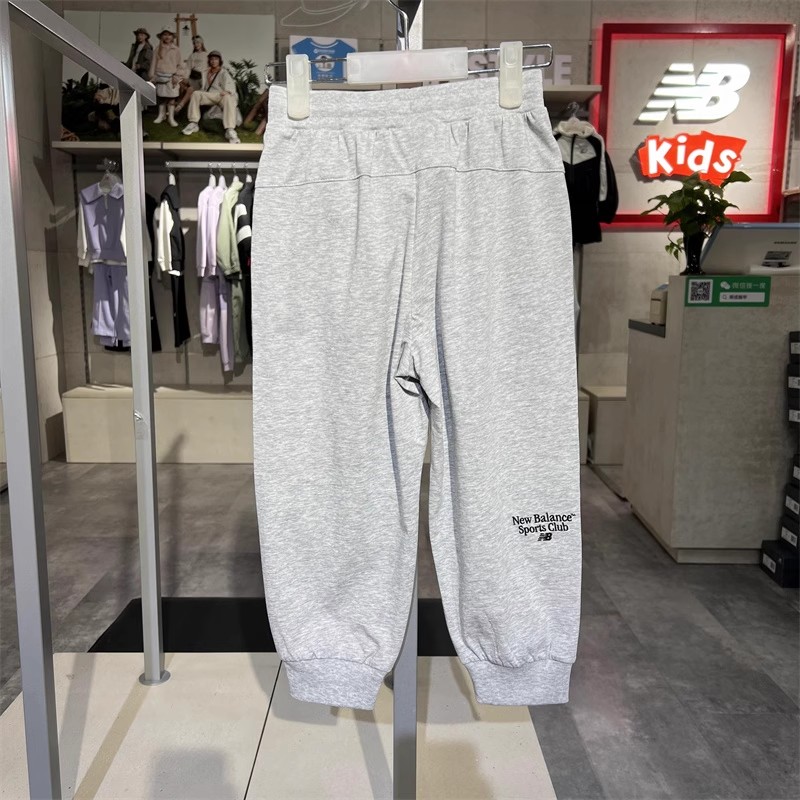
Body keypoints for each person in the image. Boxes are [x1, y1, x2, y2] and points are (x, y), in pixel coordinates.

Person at [181, 50, 240, 144]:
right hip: (208, 95)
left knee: (228, 97)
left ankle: (230, 130)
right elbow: (200, 85)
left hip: (220, 95)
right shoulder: (205, 72)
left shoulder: (223, 72)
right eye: (211, 59)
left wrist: (227, 91)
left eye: (216, 59)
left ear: (219, 61)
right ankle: (193, 123)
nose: (213, 61)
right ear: (209, 61)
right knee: (196, 94)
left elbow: (230, 85)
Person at [149, 29, 183, 127]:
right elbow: (153, 63)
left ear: (172, 37)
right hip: (160, 76)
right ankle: (161, 115)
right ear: (161, 37)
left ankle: (171, 117)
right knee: (162, 98)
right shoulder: (158, 49)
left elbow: (180, 64)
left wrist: (177, 75)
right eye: (165, 34)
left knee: (172, 98)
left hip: (172, 77)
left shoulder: (176, 50)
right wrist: (152, 76)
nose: (167, 37)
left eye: (169, 35)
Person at [174, 35, 207, 117]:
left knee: (190, 89)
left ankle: (179, 107)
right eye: (194, 43)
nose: (196, 44)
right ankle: (177, 104)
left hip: (201, 78)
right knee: (180, 83)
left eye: (198, 42)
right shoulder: (192, 55)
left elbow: (208, 69)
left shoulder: (206, 55)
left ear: (202, 43)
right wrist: (185, 78)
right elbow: (188, 68)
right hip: (193, 77)